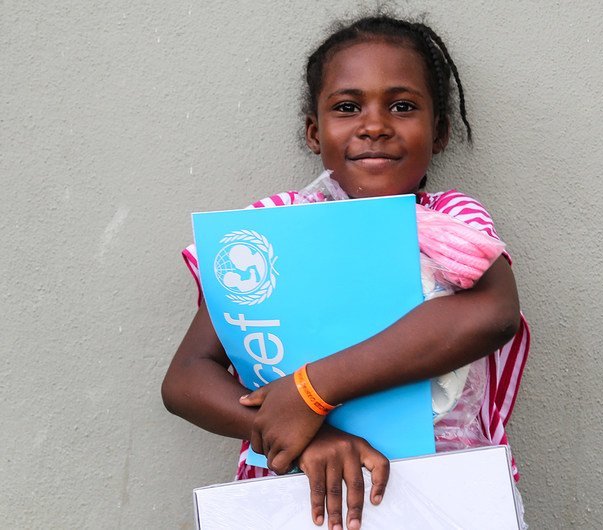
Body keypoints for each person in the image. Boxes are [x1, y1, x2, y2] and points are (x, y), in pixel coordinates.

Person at [162, 15, 531, 530]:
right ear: (315, 132)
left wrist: (312, 390)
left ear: (440, 131)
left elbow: (492, 314)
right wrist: (304, 434)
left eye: (402, 106)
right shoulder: (271, 230)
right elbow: (185, 378)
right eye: (347, 107)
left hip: (442, 490)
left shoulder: (451, 219)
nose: (374, 125)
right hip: (297, 488)